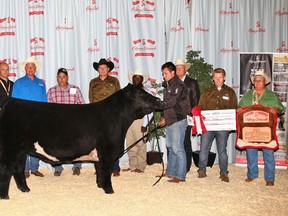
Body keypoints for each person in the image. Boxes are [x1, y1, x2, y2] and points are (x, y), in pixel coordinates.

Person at [238, 70, 285, 186]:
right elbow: (240, 106)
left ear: (265, 82)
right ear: (253, 82)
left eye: (260, 80)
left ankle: (269, 178)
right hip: (250, 129)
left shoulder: (272, 95)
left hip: (266, 130)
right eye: (256, 80)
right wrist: (239, 109)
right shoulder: (249, 95)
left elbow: (281, 108)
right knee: (251, 152)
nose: (258, 82)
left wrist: (276, 110)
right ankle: (252, 174)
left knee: (268, 153)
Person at [197, 68, 237, 183]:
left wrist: (231, 124)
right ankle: (202, 170)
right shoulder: (207, 91)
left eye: (220, 77)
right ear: (212, 78)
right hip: (208, 126)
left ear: (224, 78)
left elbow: (234, 109)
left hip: (223, 127)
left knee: (222, 150)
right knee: (204, 148)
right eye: (216, 77)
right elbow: (200, 108)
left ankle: (224, 172)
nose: (218, 80)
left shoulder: (230, 92)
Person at [12, 56, 47, 178]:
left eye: (32, 67)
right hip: (24, 118)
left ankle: (34, 168)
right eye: (28, 67)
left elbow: (44, 101)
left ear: (35, 68)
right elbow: (14, 101)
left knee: (36, 144)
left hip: (38, 118)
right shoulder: (18, 83)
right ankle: (25, 169)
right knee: (24, 143)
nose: (30, 69)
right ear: (25, 69)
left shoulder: (41, 83)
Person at [47, 68, 85, 176]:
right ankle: (58, 167)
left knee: (77, 145)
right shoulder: (51, 91)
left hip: (73, 123)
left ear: (67, 78)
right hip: (57, 123)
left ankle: (77, 166)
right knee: (56, 145)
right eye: (59, 77)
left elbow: (82, 106)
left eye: (64, 77)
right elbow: (48, 110)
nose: (61, 79)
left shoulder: (75, 89)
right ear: (57, 78)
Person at [158, 62, 191, 183]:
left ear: (173, 73)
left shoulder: (179, 85)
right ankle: (171, 172)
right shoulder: (168, 85)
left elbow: (172, 102)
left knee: (178, 148)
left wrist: (158, 105)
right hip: (171, 119)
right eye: (163, 74)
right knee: (170, 147)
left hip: (178, 119)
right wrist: (163, 116)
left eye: (165, 73)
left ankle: (180, 175)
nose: (164, 76)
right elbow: (167, 104)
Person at [89, 58, 121, 177]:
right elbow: (91, 99)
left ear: (108, 69)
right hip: (97, 115)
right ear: (98, 69)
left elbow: (119, 97)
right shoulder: (93, 82)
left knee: (113, 140)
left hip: (112, 114)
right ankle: (100, 167)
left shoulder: (115, 81)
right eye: (100, 68)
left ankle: (115, 167)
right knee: (97, 141)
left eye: (104, 68)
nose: (102, 69)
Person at [175, 58, 200, 172]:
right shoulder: (172, 82)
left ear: (185, 69)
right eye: (177, 68)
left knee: (185, 141)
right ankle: (176, 165)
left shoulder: (192, 83)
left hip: (187, 116)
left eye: (181, 68)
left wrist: (192, 116)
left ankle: (186, 167)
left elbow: (195, 100)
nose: (179, 70)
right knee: (175, 142)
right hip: (174, 117)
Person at [123, 69, 150, 173]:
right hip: (129, 120)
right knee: (130, 143)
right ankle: (133, 165)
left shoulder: (146, 92)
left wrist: (146, 124)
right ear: (132, 79)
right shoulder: (127, 92)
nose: (137, 79)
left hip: (140, 120)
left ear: (142, 80)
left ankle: (141, 166)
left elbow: (150, 108)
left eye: (139, 77)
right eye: (135, 77)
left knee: (141, 144)